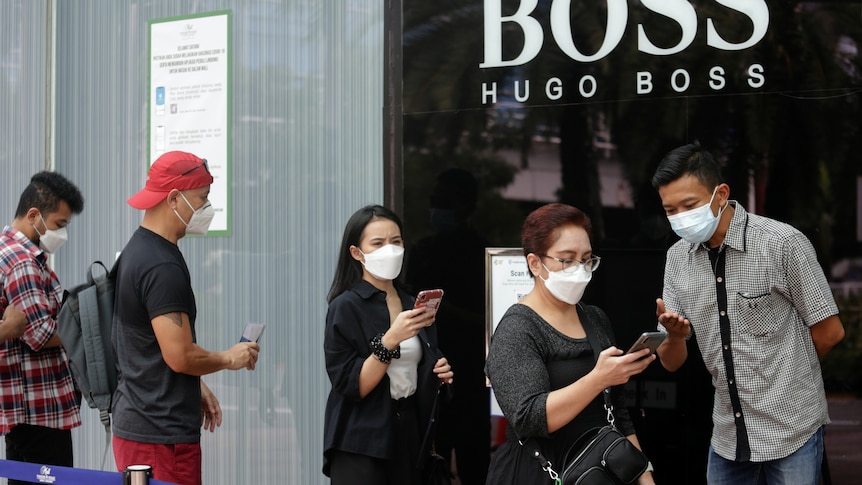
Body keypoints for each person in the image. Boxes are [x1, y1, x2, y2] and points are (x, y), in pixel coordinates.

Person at [651, 142, 846, 485]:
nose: (680, 216)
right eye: (670, 210)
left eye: (690, 205)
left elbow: (830, 332)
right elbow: (671, 362)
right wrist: (675, 336)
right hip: (727, 438)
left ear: (721, 193)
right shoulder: (676, 259)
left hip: (792, 430)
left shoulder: (782, 243)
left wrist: (784, 381)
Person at [112, 151, 260, 485]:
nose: (207, 208)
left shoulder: (138, 251)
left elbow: (145, 343)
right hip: (160, 437)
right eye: (203, 199)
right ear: (175, 199)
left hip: (141, 424)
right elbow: (180, 355)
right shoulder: (161, 266)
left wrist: (196, 382)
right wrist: (228, 358)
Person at [485, 203, 656, 484]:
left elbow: (617, 410)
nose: (580, 269)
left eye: (587, 259)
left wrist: (643, 474)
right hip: (538, 474)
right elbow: (529, 418)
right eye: (567, 260)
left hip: (599, 472)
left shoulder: (595, 319)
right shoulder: (517, 328)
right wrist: (598, 379)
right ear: (535, 263)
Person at [323, 204, 455, 484]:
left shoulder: (412, 303)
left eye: (396, 242)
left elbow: (417, 368)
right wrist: (390, 340)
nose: (390, 250)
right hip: (360, 440)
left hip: (409, 433)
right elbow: (351, 385)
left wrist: (439, 372)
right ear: (357, 253)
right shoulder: (345, 307)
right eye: (378, 243)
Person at [405, 168, 490, 484]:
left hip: (471, 375)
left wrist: (451, 312)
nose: (436, 208)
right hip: (426, 374)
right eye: (434, 201)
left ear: (468, 206)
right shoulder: (422, 252)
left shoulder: (483, 254)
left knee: (474, 464)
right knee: (427, 465)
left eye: (445, 201)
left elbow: (495, 322)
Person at [0, 171, 84, 483]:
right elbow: (40, 334)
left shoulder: (17, 254)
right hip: (38, 411)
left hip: (28, 411)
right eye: (60, 225)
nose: (62, 234)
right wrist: (85, 327)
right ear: (34, 215)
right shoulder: (22, 261)